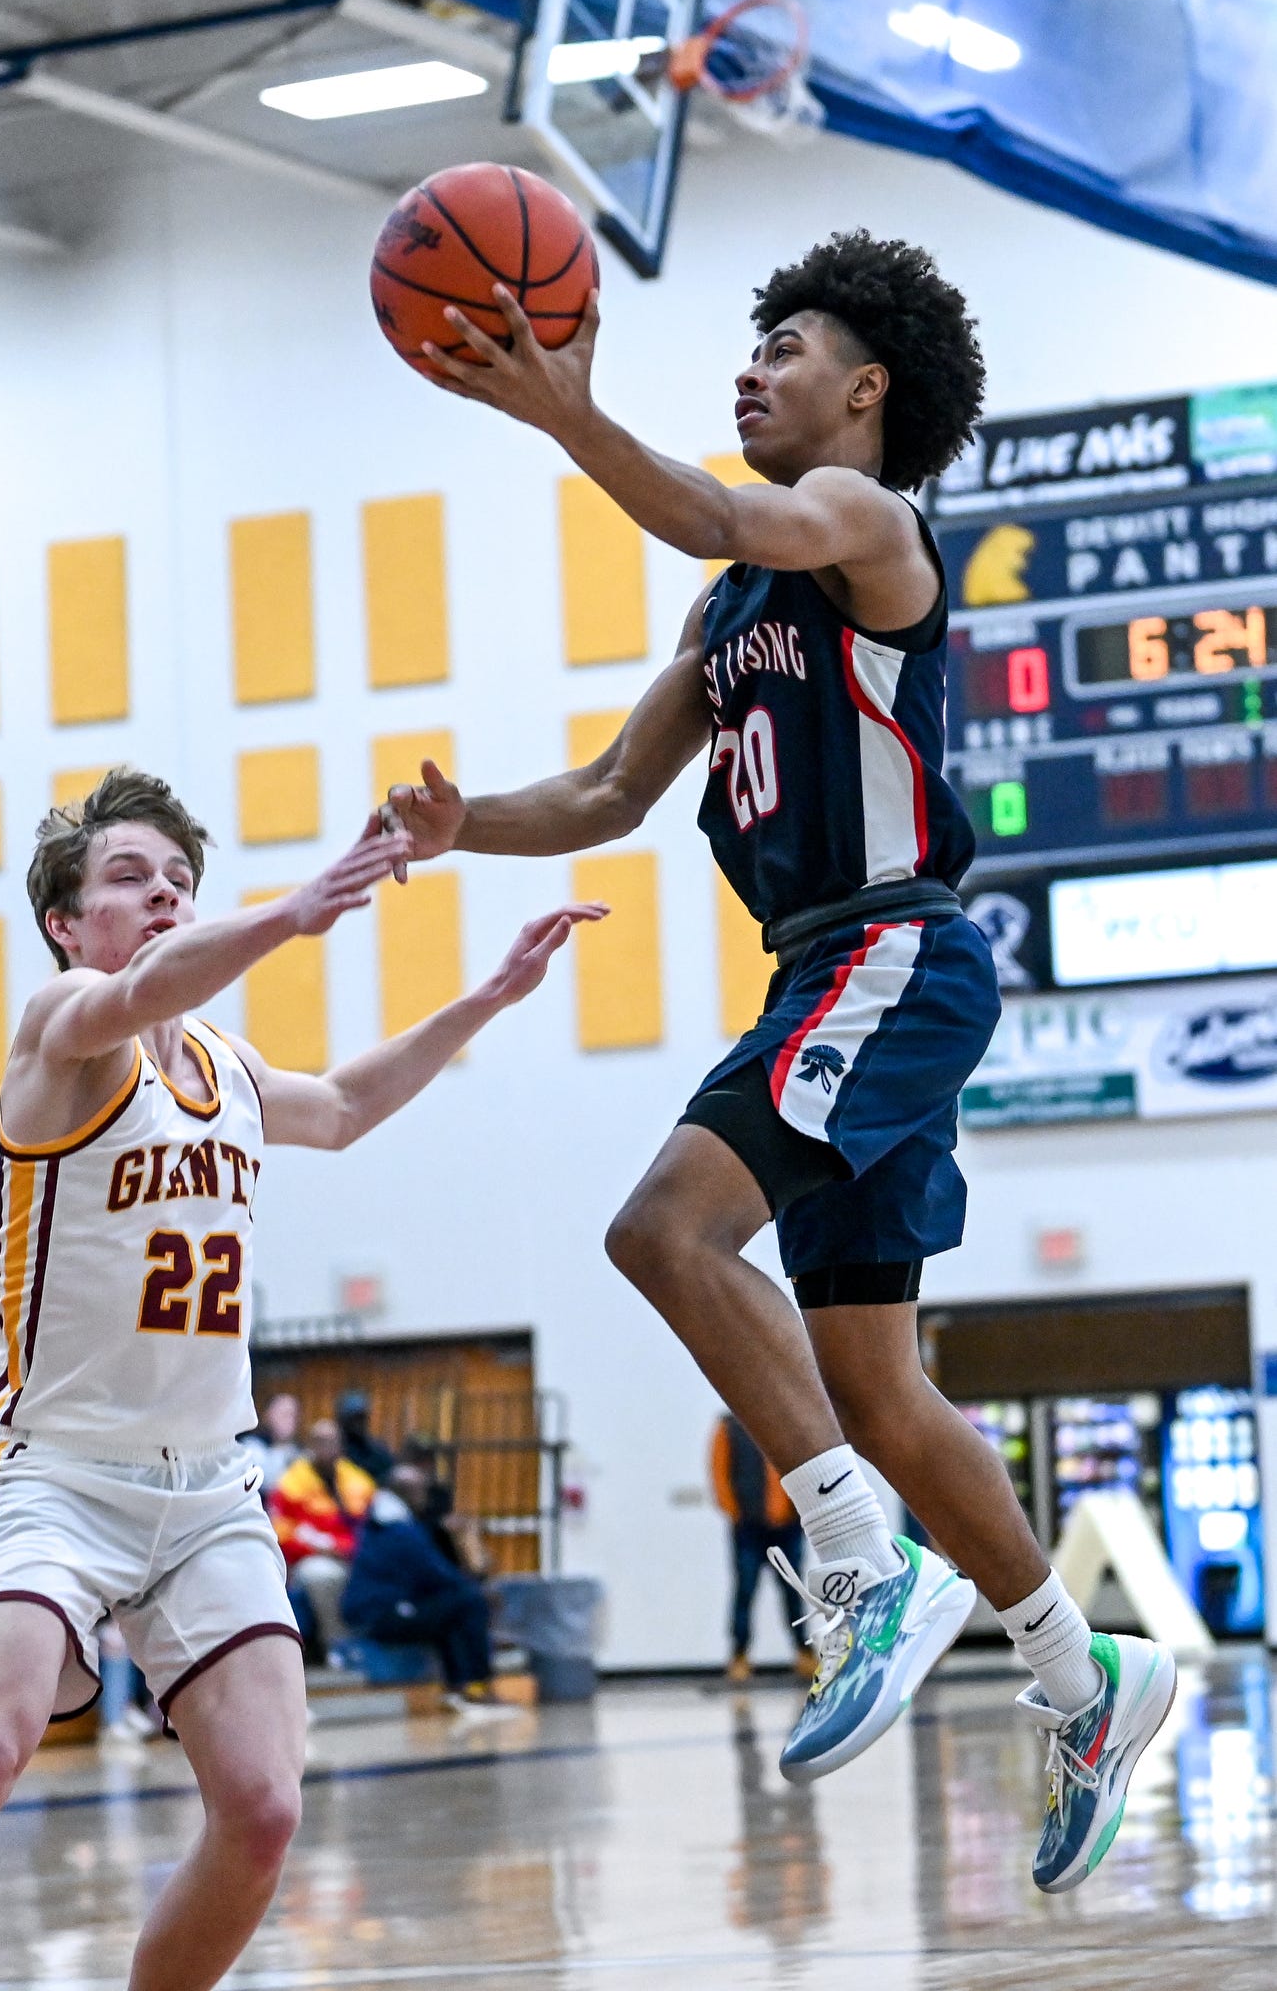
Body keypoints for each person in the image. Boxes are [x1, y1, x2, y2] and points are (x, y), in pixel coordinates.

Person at [389, 230, 1175, 1893]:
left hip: (894, 946)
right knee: (879, 1385)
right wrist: (463, 830)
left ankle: (851, 1553)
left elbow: (719, 505)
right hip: (824, 967)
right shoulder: (731, 603)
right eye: (747, 343)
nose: (750, 365)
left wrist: (561, 416)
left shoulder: (861, 527)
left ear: (865, 388)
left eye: (786, 343)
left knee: (660, 1233)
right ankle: (1078, 1676)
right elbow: (605, 796)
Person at [0, 767, 602, 1990]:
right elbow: (141, 990)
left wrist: (489, 998)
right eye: (130, 878)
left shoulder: (227, 1070)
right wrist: (302, 908)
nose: (162, 896)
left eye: (178, 880)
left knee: (261, 1809)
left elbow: (347, 1104)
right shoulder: (59, 1026)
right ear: (65, 920)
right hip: (60, 1474)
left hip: (208, 1492)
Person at [341, 1485, 498, 1708]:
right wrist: (476, 1585)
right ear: (407, 1494)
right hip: (379, 1614)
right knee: (470, 1601)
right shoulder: (399, 1530)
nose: (425, 1498)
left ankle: (459, 1687)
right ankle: (478, 1684)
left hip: (383, 1610)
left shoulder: (384, 1523)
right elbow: (436, 1573)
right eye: (420, 1492)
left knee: (452, 1610)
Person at [709, 1413, 812, 1684]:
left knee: (794, 1591)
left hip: (788, 1526)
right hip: (748, 1528)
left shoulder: (789, 1423)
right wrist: (736, 1512)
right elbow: (718, 1472)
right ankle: (739, 1654)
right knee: (745, 1590)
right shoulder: (729, 1427)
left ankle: (804, 1651)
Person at [268, 1419, 376, 1661]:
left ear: (340, 1445)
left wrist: (347, 1548)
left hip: (355, 1555)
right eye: (319, 1442)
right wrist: (322, 1547)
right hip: (310, 1559)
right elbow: (281, 1533)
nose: (326, 1448)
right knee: (321, 1575)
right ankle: (338, 1644)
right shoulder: (291, 1484)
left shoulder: (359, 1481)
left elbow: (371, 1525)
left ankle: (373, 1642)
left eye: (331, 1442)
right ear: (310, 1446)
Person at [241, 1391, 301, 1497]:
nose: (290, 1420)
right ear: (268, 1415)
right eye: (284, 1414)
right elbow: (268, 1484)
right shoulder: (250, 1446)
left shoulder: (300, 1452)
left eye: (293, 1415)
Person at [335, 1389, 396, 1485]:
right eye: (353, 1418)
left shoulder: (378, 1451)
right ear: (341, 1419)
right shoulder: (333, 1451)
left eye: (361, 1418)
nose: (358, 1423)